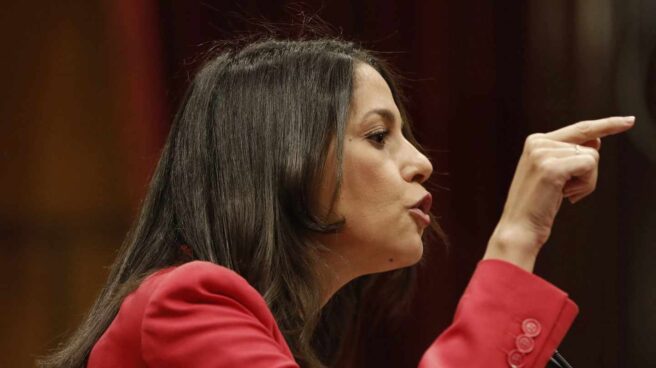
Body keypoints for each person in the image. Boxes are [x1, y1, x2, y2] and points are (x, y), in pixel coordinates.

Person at [38, 38, 634, 368]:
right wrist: (515, 240)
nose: (422, 162)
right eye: (379, 136)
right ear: (285, 159)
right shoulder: (186, 302)